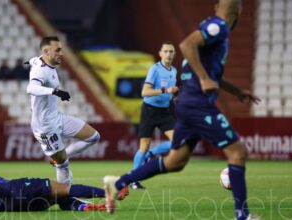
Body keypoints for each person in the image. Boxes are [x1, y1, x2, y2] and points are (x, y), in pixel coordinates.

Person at [103, 0, 261, 219]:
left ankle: (118, 183)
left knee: (175, 162)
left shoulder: (215, 33)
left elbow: (209, 72)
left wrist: (237, 92)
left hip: (187, 103)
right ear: (238, 12)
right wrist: (205, 79)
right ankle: (242, 215)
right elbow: (187, 45)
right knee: (237, 152)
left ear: (217, 7)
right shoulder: (218, 27)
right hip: (198, 104)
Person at [0, 149, 128, 212]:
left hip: (14, 207)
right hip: (16, 190)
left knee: (57, 197)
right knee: (65, 189)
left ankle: (82, 206)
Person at [26, 36, 101, 185]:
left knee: (94, 137)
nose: (62, 53)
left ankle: (61, 156)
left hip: (57, 117)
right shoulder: (41, 71)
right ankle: (64, 196)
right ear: (47, 51)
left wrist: (29, 61)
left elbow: (34, 59)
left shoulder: (40, 60)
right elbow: (31, 88)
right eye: (58, 50)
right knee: (63, 165)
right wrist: (55, 92)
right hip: (44, 126)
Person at [131, 41, 179, 190]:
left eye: (171, 51)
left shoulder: (174, 70)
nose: (168, 54)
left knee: (178, 141)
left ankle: (151, 153)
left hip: (164, 111)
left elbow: (171, 92)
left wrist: (175, 98)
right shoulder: (155, 69)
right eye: (166, 51)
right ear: (160, 53)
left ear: (174, 54)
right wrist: (165, 90)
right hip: (150, 110)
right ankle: (134, 180)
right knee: (143, 145)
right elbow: (144, 92)